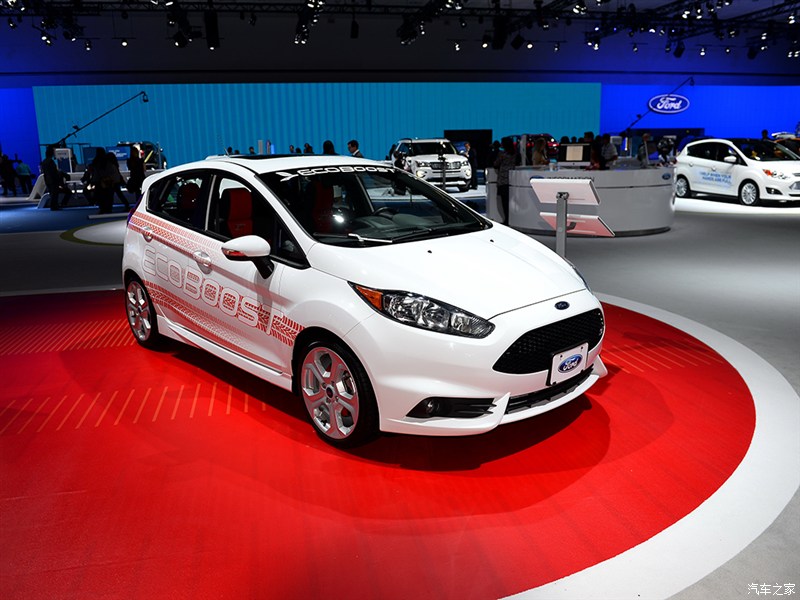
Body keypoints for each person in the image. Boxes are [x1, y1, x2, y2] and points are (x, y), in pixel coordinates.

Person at [493, 138, 518, 226]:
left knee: (504, 202)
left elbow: (496, 164)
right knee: (510, 201)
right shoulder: (515, 154)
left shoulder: (502, 154)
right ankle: (511, 219)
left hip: (503, 180)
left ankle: (506, 220)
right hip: (512, 180)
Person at [41, 145, 70, 210]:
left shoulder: (44, 161)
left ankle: (54, 206)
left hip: (48, 180)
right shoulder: (50, 161)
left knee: (53, 194)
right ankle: (54, 206)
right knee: (54, 194)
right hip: (53, 180)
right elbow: (53, 172)